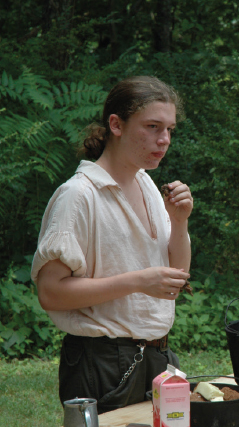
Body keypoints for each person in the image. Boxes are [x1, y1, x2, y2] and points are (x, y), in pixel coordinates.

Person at [31, 76, 193, 414]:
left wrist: (179, 223)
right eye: (152, 126)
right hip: (100, 362)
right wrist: (138, 281)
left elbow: (175, 280)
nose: (163, 140)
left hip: (157, 358)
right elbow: (50, 293)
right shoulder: (79, 195)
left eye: (169, 129)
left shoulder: (148, 185)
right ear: (116, 125)